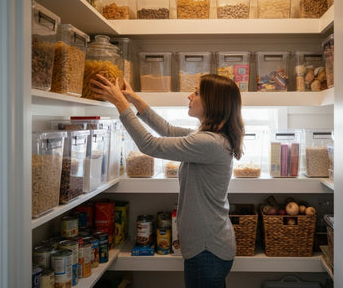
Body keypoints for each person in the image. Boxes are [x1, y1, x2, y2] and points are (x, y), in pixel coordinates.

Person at [90, 73, 245, 288]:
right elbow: (167, 130)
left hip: (207, 251)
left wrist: (120, 103)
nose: (189, 96)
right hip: (210, 246)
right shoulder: (209, 137)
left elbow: (149, 144)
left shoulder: (209, 142)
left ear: (213, 103)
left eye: (197, 93)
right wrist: (133, 99)